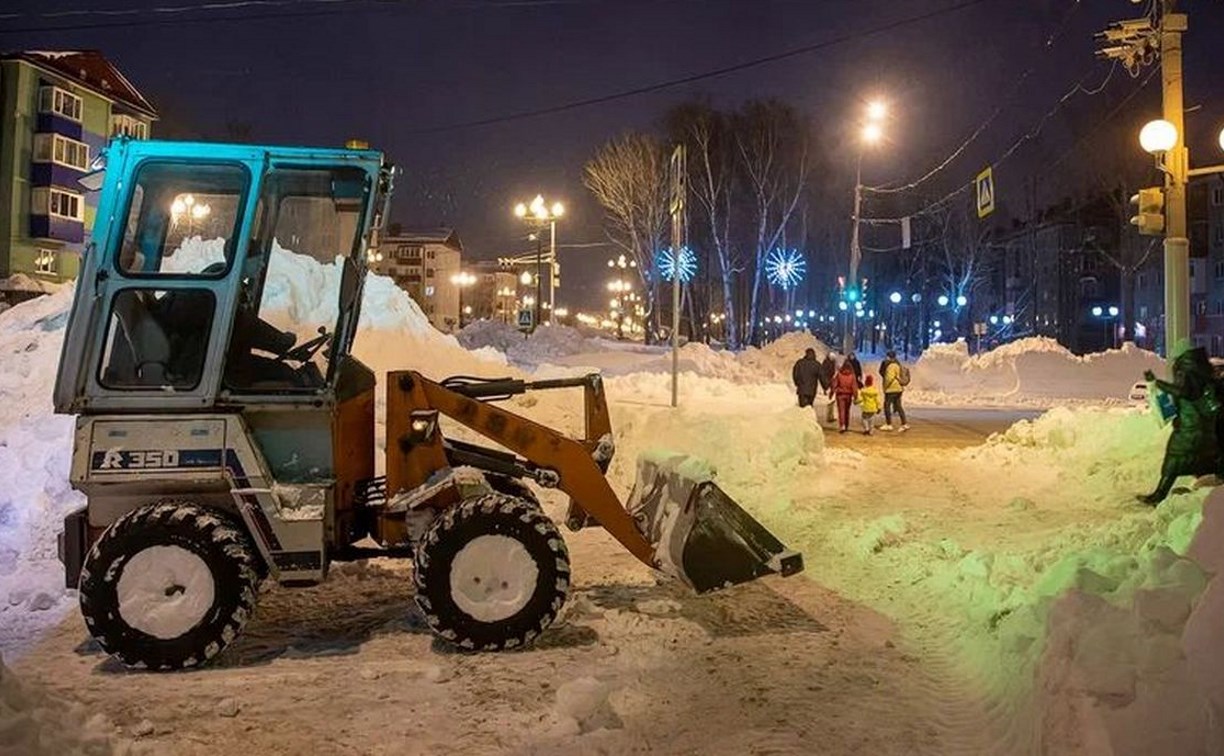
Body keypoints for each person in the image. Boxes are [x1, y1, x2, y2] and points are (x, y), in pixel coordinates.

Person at [1139, 340, 1222, 505]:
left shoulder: (1187, 369)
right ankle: (1210, 490)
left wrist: (1158, 383)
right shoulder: (1200, 370)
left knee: (1174, 461)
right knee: (1206, 459)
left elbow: (1184, 392)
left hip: (1191, 430)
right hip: (1202, 427)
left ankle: (1159, 496)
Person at [879, 350, 910, 431]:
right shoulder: (897, 364)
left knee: (887, 405)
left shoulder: (891, 366)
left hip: (891, 389)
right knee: (899, 406)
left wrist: (885, 387)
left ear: (889, 357)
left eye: (887, 356)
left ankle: (888, 424)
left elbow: (889, 378)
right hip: (899, 388)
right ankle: (904, 423)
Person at [830, 361, 859, 434]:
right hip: (848, 395)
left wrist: (832, 392)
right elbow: (854, 387)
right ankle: (846, 425)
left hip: (840, 395)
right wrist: (856, 396)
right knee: (847, 411)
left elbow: (834, 384)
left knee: (841, 411)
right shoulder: (852, 376)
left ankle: (842, 425)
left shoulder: (839, 375)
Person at [792, 348, 822, 412]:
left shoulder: (799, 363)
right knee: (809, 407)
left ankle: (802, 420)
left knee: (802, 408)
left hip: (802, 390)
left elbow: (795, 373)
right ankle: (808, 420)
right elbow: (822, 376)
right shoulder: (817, 364)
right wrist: (826, 386)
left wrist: (797, 383)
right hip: (812, 390)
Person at [820, 352, 838, 424]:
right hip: (827, 380)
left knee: (831, 400)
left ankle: (831, 416)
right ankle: (829, 416)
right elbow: (823, 372)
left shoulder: (832, 362)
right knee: (829, 400)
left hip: (831, 380)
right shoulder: (825, 362)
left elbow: (833, 370)